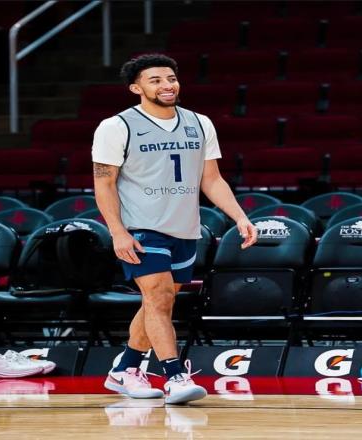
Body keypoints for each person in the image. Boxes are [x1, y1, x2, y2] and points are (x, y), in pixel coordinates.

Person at [92, 53, 258, 404]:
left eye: (171, 78)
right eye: (155, 80)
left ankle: (126, 369)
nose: (167, 85)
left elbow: (211, 179)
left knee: (160, 301)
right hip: (140, 227)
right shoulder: (115, 126)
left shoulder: (200, 123)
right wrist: (118, 231)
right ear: (136, 88)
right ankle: (175, 376)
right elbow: (104, 183)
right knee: (157, 297)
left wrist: (240, 217)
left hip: (184, 228)